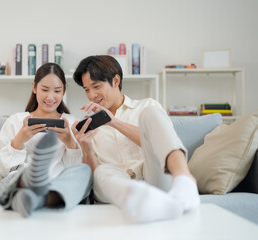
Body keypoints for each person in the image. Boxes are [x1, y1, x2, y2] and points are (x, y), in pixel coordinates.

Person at [71, 55, 200, 223]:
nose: (92, 95)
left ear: (116, 81)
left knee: (151, 114)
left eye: (96, 86)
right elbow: (96, 176)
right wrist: (85, 147)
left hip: (153, 177)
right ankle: (140, 200)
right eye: (87, 90)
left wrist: (114, 122)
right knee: (103, 172)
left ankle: (185, 180)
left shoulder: (146, 106)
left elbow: (157, 145)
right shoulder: (91, 125)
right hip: (117, 186)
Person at [0, 62, 91, 217]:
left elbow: (74, 169)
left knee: (84, 172)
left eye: (57, 91)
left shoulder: (73, 123)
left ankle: (31, 198)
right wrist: (19, 140)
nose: (50, 97)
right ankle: (30, 179)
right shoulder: (16, 120)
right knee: (12, 179)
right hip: (17, 181)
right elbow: (2, 170)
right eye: (44, 90)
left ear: (64, 90)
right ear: (34, 87)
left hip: (59, 182)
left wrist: (70, 143)